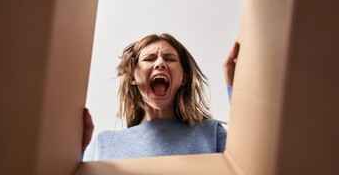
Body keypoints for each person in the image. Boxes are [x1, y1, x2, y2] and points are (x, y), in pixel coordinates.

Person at [82, 33, 240, 161]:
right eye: (149, 59)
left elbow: (251, 165)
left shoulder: (211, 133)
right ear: (133, 78)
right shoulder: (103, 144)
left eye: (170, 59)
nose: (160, 63)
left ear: (184, 78)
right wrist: (75, 150)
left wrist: (238, 88)